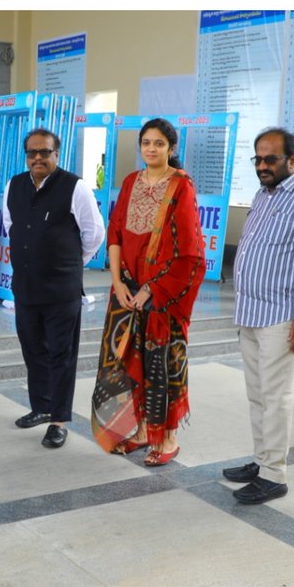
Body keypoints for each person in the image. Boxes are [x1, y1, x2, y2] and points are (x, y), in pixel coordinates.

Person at [225, 127, 294, 504]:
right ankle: (262, 461)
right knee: (257, 395)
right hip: (251, 312)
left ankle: (274, 476)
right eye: (257, 159)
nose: (262, 166)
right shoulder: (262, 193)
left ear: (293, 160)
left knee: (276, 396)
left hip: (282, 315)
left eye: (270, 159)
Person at [93, 119, 204, 466]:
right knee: (126, 361)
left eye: (159, 143)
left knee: (161, 364)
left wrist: (153, 290)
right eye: (146, 143)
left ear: (171, 148)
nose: (151, 149)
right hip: (126, 291)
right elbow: (115, 235)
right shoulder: (130, 182)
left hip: (163, 296)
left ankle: (167, 439)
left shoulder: (181, 186)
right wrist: (119, 283)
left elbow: (189, 250)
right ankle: (141, 432)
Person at [5, 128, 105, 450]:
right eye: (32, 152)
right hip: (26, 288)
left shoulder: (75, 188)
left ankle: (58, 421)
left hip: (61, 290)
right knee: (33, 349)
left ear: (56, 155)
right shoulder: (14, 186)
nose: (38, 158)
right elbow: (12, 227)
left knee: (61, 355)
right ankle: (41, 406)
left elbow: (94, 234)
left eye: (44, 153)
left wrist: (72, 263)